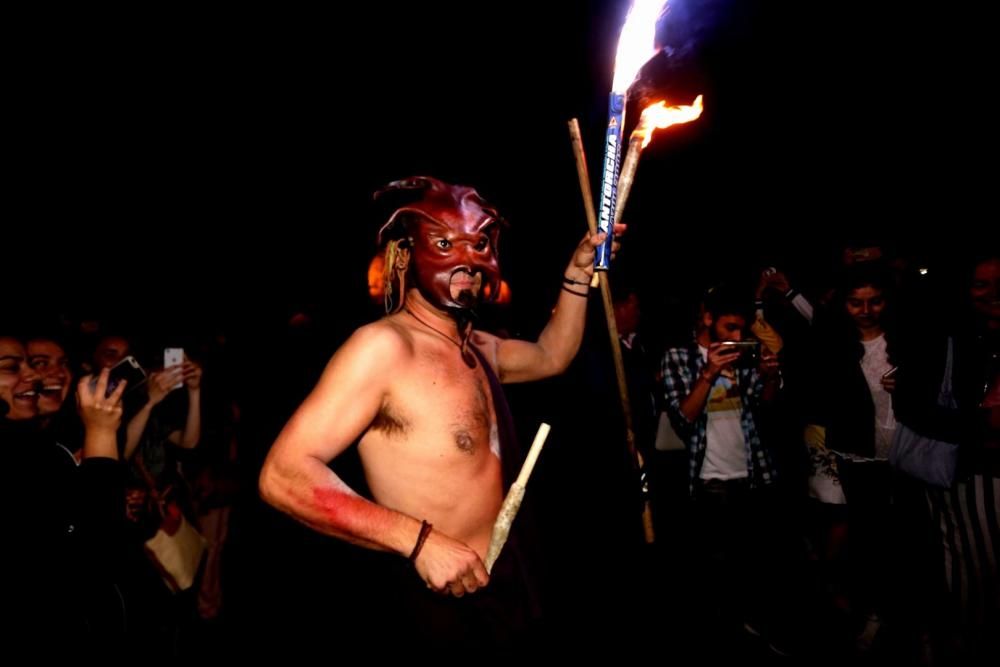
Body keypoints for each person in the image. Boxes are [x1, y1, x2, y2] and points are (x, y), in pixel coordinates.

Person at [259, 175, 620, 648]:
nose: (467, 262)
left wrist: (576, 276)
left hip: (505, 583)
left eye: (479, 244)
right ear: (407, 255)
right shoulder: (384, 348)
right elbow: (283, 476)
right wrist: (419, 541)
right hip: (434, 602)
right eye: (446, 243)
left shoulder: (477, 347)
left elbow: (552, 357)